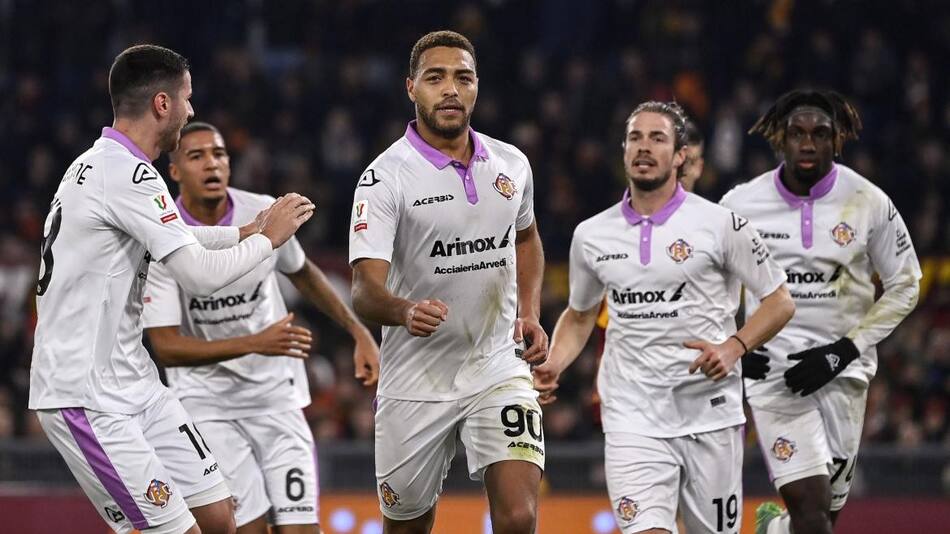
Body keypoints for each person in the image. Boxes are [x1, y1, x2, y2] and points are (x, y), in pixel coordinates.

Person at [28, 44, 314, 534]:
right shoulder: (129, 173)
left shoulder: (107, 165)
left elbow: (176, 237)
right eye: (187, 98)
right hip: (86, 393)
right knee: (176, 530)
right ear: (163, 104)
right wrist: (269, 239)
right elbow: (198, 275)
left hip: (136, 382)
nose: (192, 110)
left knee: (220, 517)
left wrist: (243, 231)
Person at [533, 101, 795, 534]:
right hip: (632, 417)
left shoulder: (722, 226)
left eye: (658, 138)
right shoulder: (592, 235)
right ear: (623, 152)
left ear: (680, 156)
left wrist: (734, 347)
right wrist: (554, 363)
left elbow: (779, 301)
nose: (644, 146)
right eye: (635, 137)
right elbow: (580, 316)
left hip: (711, 414)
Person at [348, 31, 548, 534]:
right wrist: (402, 310)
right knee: (408, 525)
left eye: (463, 77)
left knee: (520, 516)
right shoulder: (384, 178)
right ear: (410, 88)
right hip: (416, 380)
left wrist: (530, 311)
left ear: (477, 86)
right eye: (435, 78)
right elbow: (364, 289)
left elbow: (526, 239)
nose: (451, 89)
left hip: (496, 364)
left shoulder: (512, 164)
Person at [142, 121, 380, 534]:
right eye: (196, 156)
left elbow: (303, 272)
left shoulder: (265, 211)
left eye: (218, 154)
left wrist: (359, 332)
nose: (211, 164)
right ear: (175, 171)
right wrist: (257, 342)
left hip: (275, 399)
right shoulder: (164, 237)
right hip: (206, 405)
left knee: (302, 529)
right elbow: (166, 347)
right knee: (244, 529)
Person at [720, 89, 921, 534]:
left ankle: (773, 530)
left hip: (844, 374)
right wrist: (735, 338)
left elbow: (907, 284)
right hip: (774, 376)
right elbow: (708, 284)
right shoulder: (740, 205)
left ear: (838, 140)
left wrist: (845, 350)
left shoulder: (868, 202)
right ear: (780, 140)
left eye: (820, 134)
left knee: (822, 518)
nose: (807, 143)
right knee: (813, 516)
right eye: (796, 133)